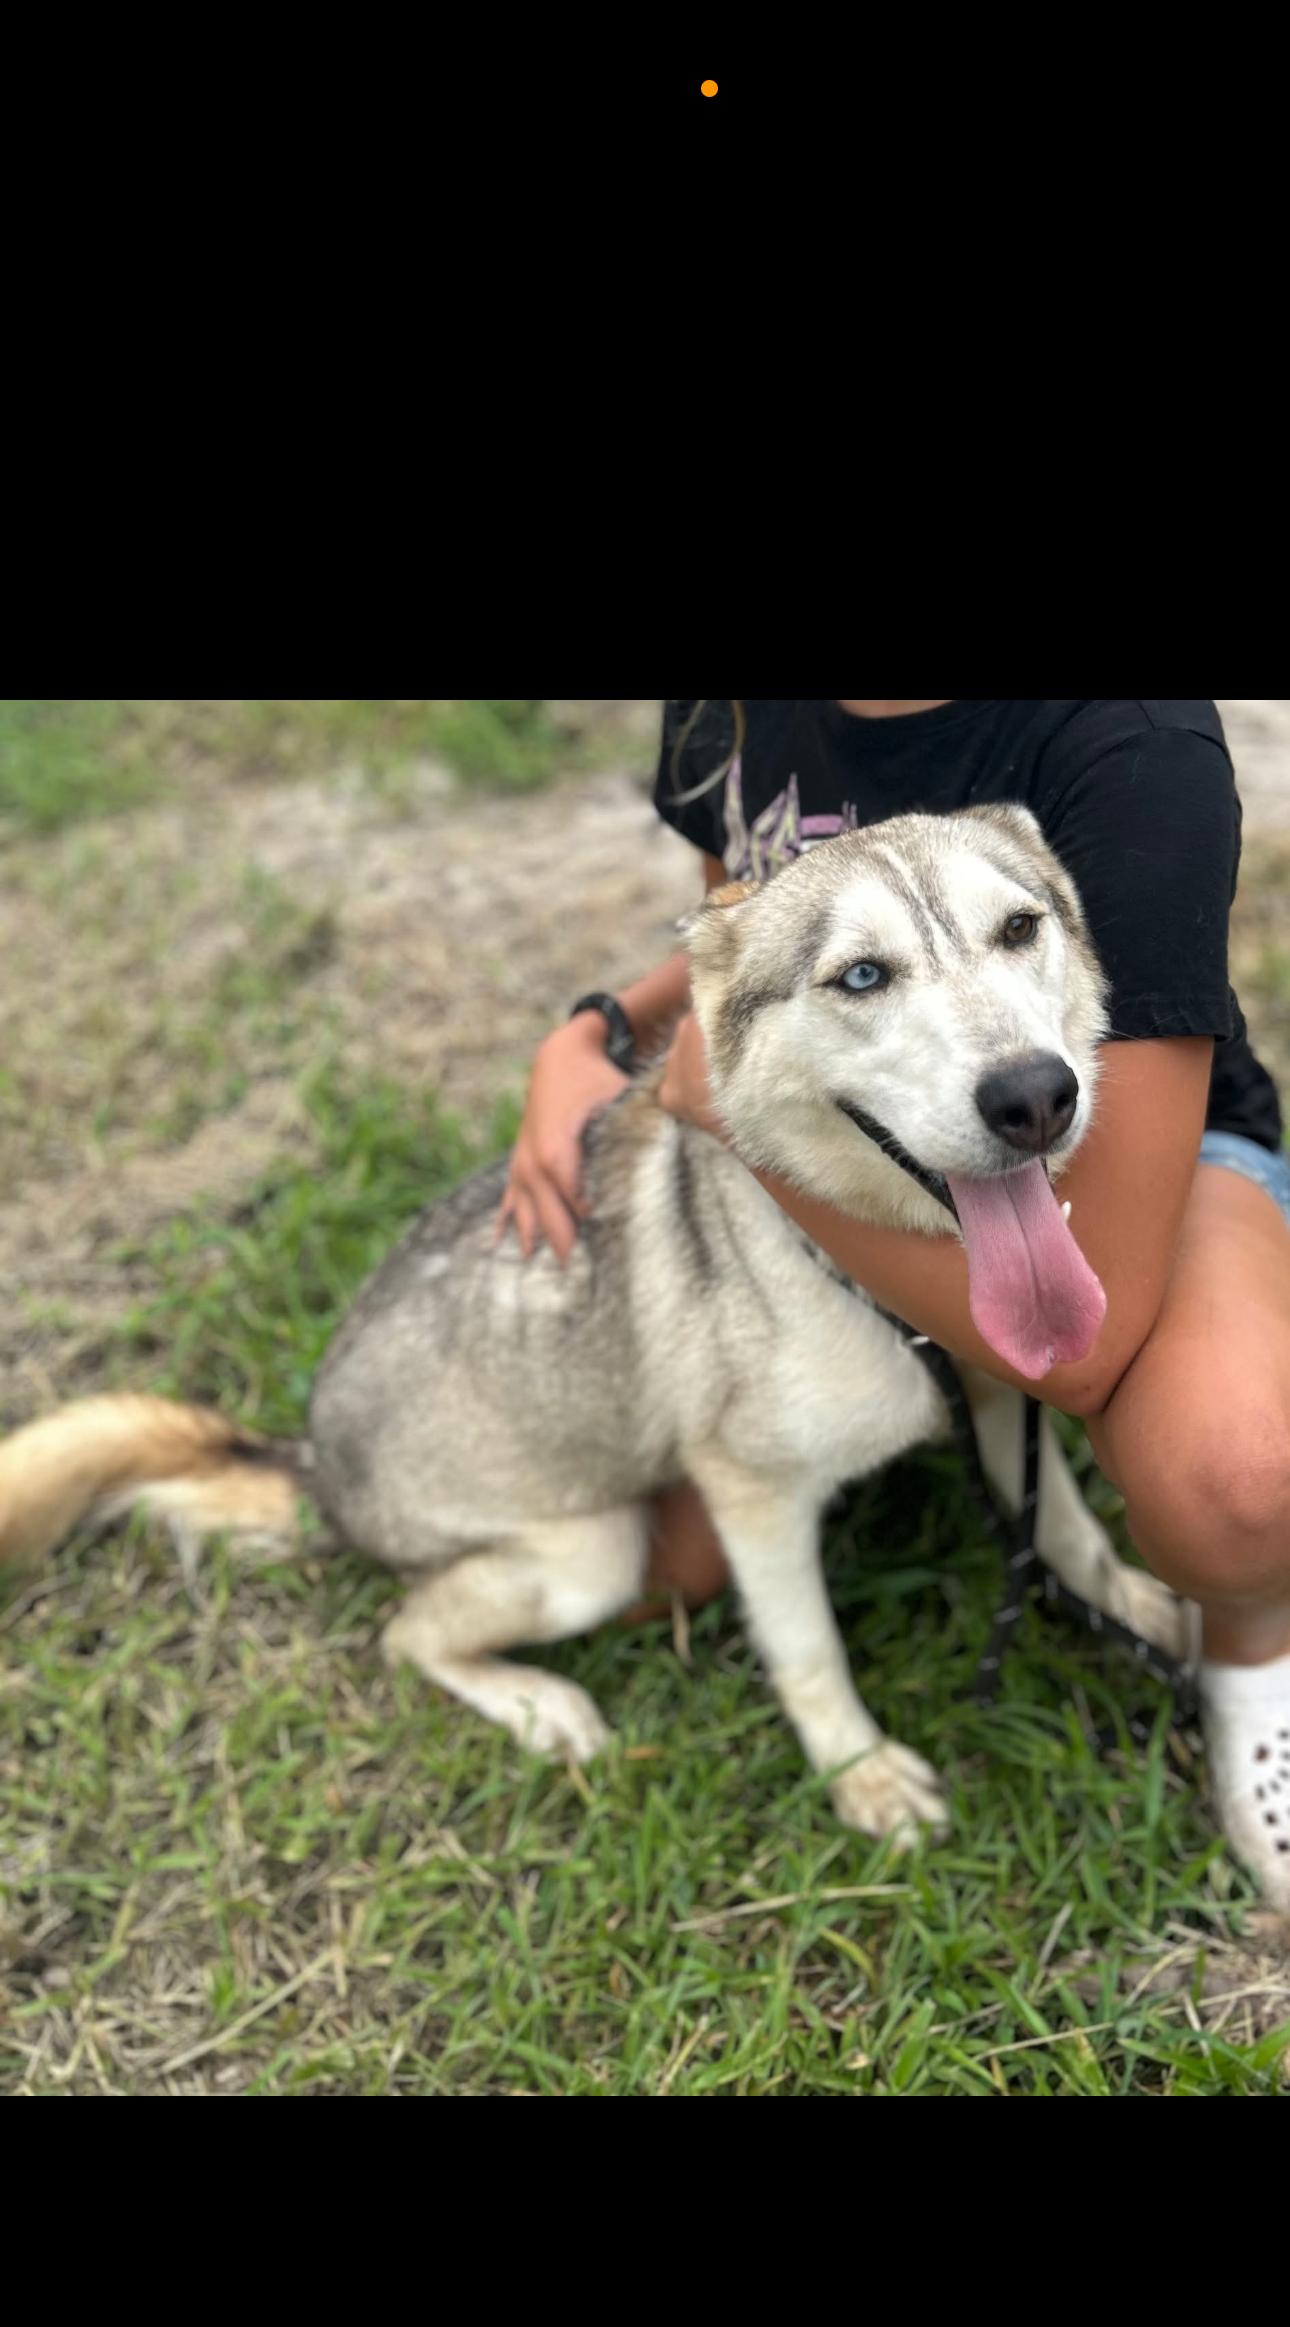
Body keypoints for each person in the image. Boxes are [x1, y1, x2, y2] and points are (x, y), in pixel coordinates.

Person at [499, 700, 1290, 1903]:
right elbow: (742, 934)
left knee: (1231, 1476)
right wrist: (612, 1024)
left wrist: (734, 1125)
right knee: (665, 1569)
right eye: (862, 972)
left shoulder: (1132, 740)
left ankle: (1259, 1656)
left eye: (1020, 924)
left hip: (1143, 1119)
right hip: (852, 1131)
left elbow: (1077, 1351)